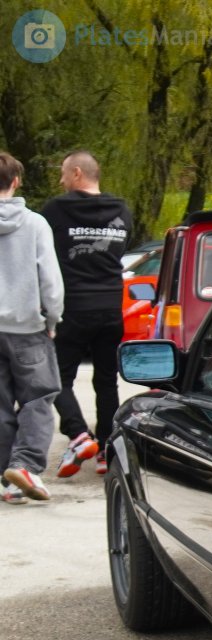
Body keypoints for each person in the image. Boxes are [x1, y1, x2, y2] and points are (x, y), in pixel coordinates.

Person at [41, 150, 131, 479]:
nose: (62, 181)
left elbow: (42, 255)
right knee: (106, 381)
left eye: (64, 174)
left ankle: (79, 435)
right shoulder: (121, 209)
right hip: (111, 307)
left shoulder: (56, 209)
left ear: (77, 173)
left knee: (55, 379)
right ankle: (106, 449)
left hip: (73, 309)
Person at [0, 152, 64, 503]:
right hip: (28, 327)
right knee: (38, 398)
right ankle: (25, 466)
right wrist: (52, 319)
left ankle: (9, 481)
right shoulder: (35, 224)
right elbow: (50, 280)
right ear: (16, 182)